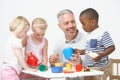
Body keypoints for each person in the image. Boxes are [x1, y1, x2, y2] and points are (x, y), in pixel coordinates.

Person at [78, 8, 115, 80]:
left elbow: (112, 47)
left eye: (83, 24)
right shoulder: (89, 35)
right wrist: (80, 51)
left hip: (100, 68)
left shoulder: (102, 33)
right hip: (89, 68)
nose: (82, 26)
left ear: (93, 22)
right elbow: (89, 51)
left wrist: (101, 55)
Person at [49, 9, 86, 80]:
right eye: (66, 23)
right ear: (60, 26)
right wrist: (53, 63)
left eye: (73, 22)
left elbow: (96, 65)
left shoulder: (87, 39)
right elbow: (54, 69)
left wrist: (80, 62)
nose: (71, 25)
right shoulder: (58, 43)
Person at [1, 16, 36, 80]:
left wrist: (24, 53)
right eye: (25, 31)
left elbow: (14, 54)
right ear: (20, 28)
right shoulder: (15, 41)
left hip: (8, 71)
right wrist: (26, 67)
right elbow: (19, 56)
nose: (25, 34)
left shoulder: (11, 39)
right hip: (10, 72)